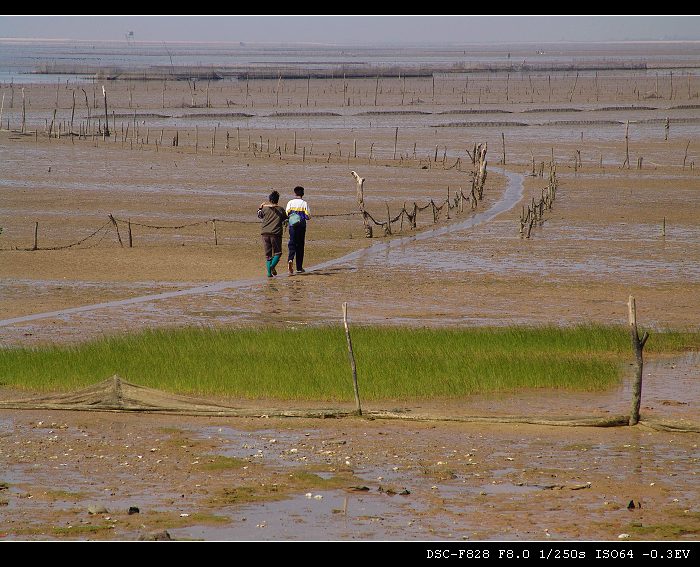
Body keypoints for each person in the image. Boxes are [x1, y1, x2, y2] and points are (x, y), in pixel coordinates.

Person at [257, 190, 287, 278]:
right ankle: (272, 267)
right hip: (276, 233)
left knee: (268, 255)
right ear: (278, 200)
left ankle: (269, 273)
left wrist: (260, 208)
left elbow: (259, 216)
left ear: (270, 199)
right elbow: (285, 219)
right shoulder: (281, 209)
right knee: (278, 253)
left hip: (264, 233)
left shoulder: (265, 209)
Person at [285, 186, 310, 274]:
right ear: (302, 194)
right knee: (300, 246)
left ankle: (290, 259)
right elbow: (308, 216)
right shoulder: (304, 203)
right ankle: (299, 267)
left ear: (295, 193)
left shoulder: (290, 202)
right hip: (301, 226)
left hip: (292, 226)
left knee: (292, 243)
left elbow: (287, 213)